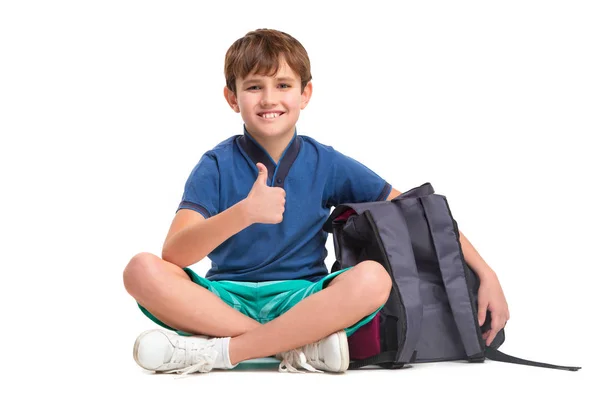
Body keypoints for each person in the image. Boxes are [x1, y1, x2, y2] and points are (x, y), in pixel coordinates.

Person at [122, 28, 510, 375]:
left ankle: (223, 352)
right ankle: (292, 346)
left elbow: (416, 211)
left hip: (303, 299)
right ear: (231, 97)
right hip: (224, 301)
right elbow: (173, 254)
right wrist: (244, 213)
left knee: (374, 278)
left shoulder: (326, 162)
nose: (269, 99)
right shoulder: (216, 165)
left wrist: (486, 273)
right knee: (140, 269)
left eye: (284, 86)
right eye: (254, 86)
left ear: (305, 93)